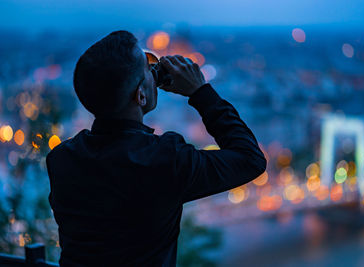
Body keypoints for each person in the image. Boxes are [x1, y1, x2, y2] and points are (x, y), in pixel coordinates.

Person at [45, 30, 267, 267]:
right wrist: (200, 92)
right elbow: (250, 159)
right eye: (149, 68)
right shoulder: (165, 160)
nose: (155, 71)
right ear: (140, 95)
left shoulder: (61, 160)